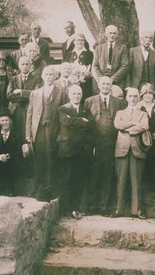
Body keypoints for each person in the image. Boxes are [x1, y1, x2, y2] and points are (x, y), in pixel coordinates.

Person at [84, 76, 126, 215]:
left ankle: (104, 207)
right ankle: (91, 206)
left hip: (111, 143)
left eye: (108, 84)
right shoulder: (89, 101)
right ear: (98, 85)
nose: (105, 86)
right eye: (103, 84)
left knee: (108, 174)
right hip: (95, 144)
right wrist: (91, 144)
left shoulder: (119, 102)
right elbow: (86, 125)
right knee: (93, 174)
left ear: (111, 86)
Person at [26, 66, 68, 201]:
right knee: (39, 158)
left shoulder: (61, 92)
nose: (49, 76)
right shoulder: (36, 93)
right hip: (39, 129)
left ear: (55, 76)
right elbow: (30, 114)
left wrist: (62, 133)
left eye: (51, 74)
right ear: (43, 76)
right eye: (46, 74)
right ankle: (37, 187)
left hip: (54, 129)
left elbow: (64, 113)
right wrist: (28, 133)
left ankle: (50, 188)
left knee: (51, 158)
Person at [57, 85, 95, 218]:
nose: (76, 96)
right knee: (66, 179)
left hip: (81, 150)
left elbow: (91, 124)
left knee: (78, 179)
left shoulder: (85, 109)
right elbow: (66, 122)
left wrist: (76, 122)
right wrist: (81, 121)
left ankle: (75, 208)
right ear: (69, 95)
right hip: (67, 149)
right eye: (74, 94)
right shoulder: (63, 109)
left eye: (79, 94)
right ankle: (65, 209)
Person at [113, 87, 150, 219]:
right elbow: (117, 125)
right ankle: (119, 209)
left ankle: (137, 210)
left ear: (138, 98)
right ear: (126, 98)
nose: (133, 99)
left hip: (137, 149)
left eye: (135, 96)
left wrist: (128, 129)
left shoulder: (143, 114)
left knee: (136, 181)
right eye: (130, 96)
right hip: (122, 148)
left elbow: (144, 126)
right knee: (121, 180)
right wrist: (133, 123)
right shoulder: (120, 112)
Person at [0, 110, 23, 196]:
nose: (5, 123)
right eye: (2, 120)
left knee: (14, 165)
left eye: (7, 120)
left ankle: (11, 189)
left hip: (12, 160)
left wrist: (10, 156)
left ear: (11, 122)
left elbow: (19, 151)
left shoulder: (17, 135)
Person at [7, 56, 40, 138]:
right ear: (19, 66)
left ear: (30, 66)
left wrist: (21, 92)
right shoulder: (13, 79)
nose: (25, 66)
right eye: (23, 64)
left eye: (27, 64)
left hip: (29, 109)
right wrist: (28, 94)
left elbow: (36, 94)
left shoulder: (36, 79)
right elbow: (9, 95)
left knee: (27, 133)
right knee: (15, 132)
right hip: (15, 110)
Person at [92, 25, 130, 91]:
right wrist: (101, 80)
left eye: (114, 33)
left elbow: (125, 65)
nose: (112, 35)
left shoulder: (123, 48)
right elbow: (95, 65)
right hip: (101, 81)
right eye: (110, 33)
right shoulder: (99, 48)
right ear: (106, 34)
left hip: (117, 81)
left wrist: (112, 79)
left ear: (117, 35)